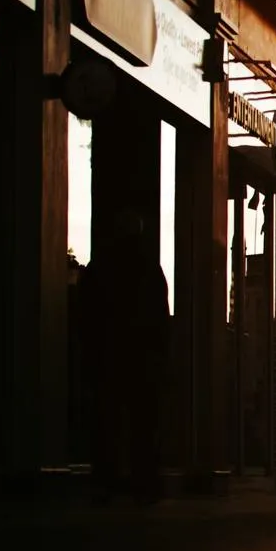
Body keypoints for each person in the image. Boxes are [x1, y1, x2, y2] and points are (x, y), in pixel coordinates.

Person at [77, 208, 170, 506]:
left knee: (108, 421)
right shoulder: (148, 269)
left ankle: (107, 480)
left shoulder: (101, 267)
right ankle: (144, 482)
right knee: (143, 423)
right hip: (141, 359)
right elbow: (159, 318)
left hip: (111, 355)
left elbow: (87, 314)